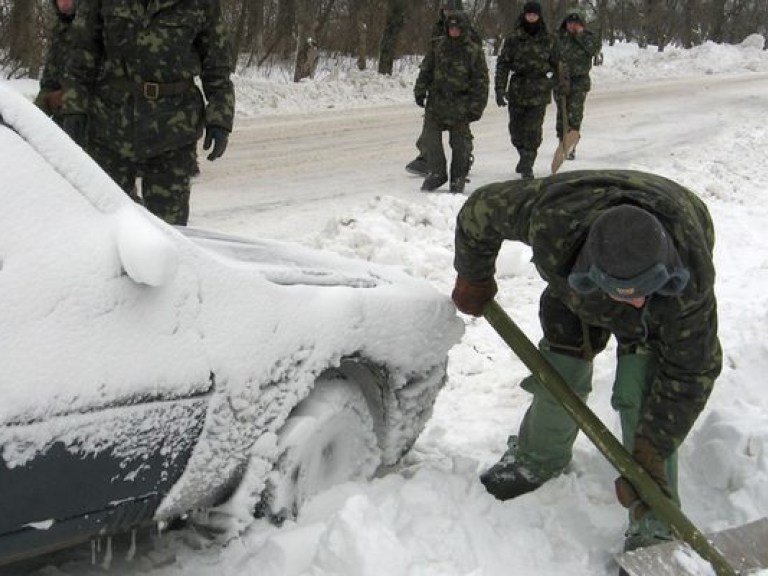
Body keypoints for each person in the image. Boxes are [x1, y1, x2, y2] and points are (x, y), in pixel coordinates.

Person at [451, 170, 721, 557]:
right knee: (559, 369)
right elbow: (480, 209)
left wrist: (650, 448)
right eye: (626, 295)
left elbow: (691, 372)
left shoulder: (688, 284)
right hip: (576, 284)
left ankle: (655, 525)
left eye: (644, 291)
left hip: (674, 231)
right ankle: (537, 457)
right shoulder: (551, 221)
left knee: (640, 391)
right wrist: (473, 276)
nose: (636, 303)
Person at [60, 0, 235, 226]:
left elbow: (217, 64)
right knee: (104, 225)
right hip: (109, 127)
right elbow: (81, 54)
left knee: (169, 232)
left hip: (173, 131)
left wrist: (220, 119)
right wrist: (74, 109)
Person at [405, 0, 482, 178]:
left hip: (460, 92)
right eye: (445, 10)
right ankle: (426, 158)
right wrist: (423, 86)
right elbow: (430, 57)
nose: (448, 13)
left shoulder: (468, 31)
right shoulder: (438, 28)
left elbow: (476, 64)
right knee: (430, 128)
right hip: (439, 90)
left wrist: (475, 99)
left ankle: (464, 159)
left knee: (461, 132)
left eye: (451, 10)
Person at [495, 1, 562, 180]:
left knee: (533, 131)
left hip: (539, 90)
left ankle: (527, 164)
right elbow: (503, 64)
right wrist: (500, 88)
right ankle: (524, 155)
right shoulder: (514, 38)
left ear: (539, 16)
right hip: (518, 89)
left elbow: (559, 65)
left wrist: (561, 83)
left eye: (535, 14)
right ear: (524, 15)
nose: (531, 17)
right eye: (529, 14)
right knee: (516, 132)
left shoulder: (549, 38)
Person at [555, 8, 601, 160]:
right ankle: (562, 141)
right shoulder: (559, 37)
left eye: (576, 23)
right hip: (561, 80)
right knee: (562, 113)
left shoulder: (589, 37)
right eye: (570, 23)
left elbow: (593, 50)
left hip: (579, 81)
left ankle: (571, 144)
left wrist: (579, 35)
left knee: (575, 114)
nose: (572, 26)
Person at [34, 0, 78, 126]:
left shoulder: (97, 27)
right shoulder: (60, 29)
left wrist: (67, 97)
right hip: (63, 123)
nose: (63, 3)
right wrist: (31, 120)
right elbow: (49, 84)